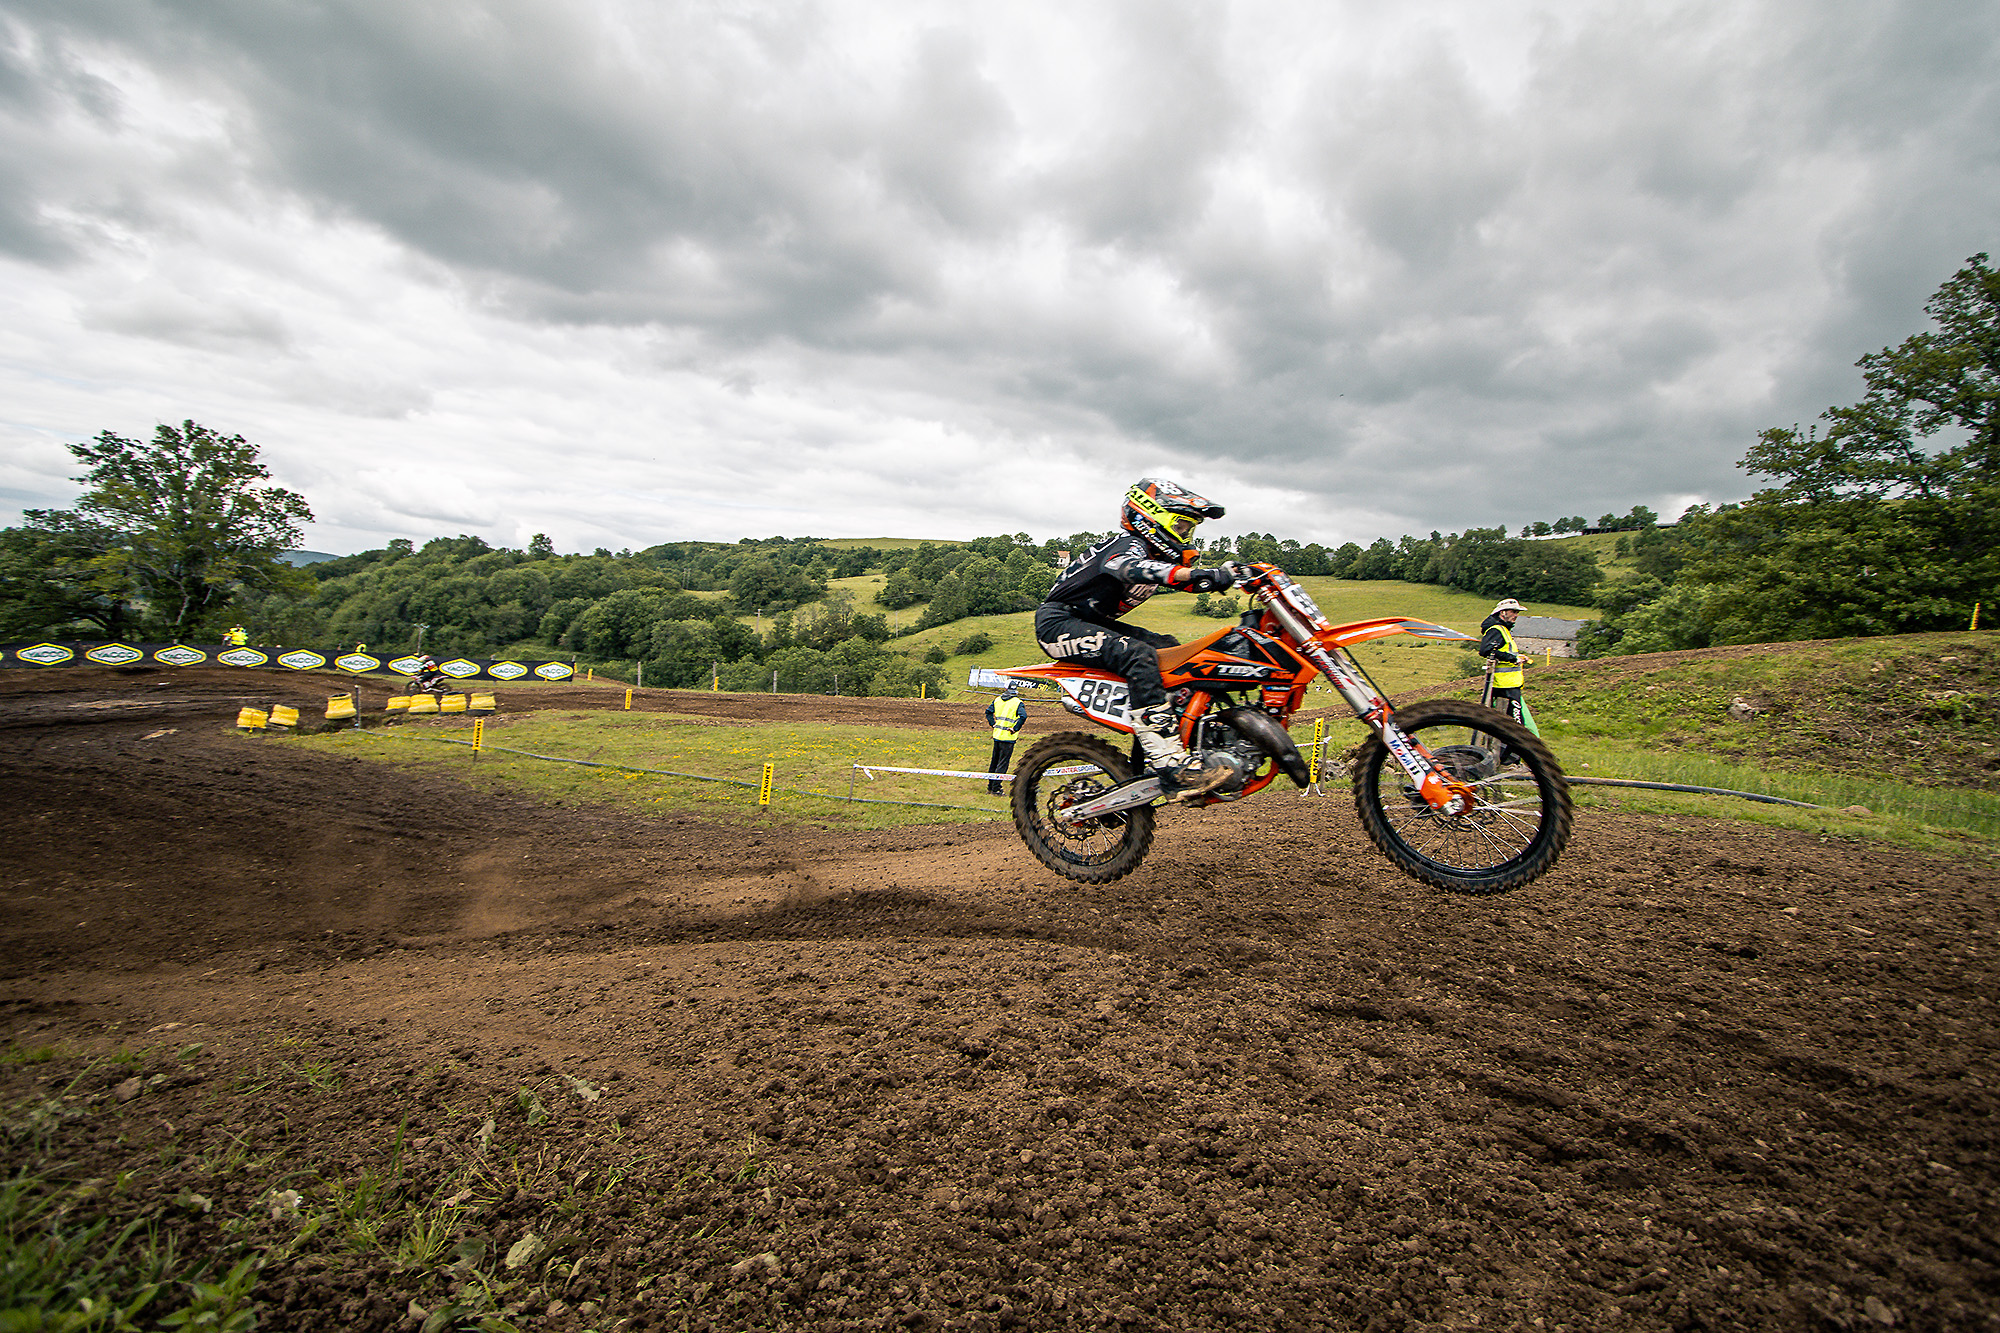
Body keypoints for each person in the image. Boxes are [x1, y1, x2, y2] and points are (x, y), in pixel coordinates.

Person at [1035, 478, 1241, 793]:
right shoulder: (1130, 545)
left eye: (1189, 529)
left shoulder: (1156, 556)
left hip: (1090, 622)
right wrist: (1200, 575)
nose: (1186, 535)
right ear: (1152, 519)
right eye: (1181, 526)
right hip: (1058, 623)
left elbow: (1188, 580)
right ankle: (1170, 765)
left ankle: (1157, 751)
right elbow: (1126, 567)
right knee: (1139, 655)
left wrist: (1240, 573)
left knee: (1172, 650)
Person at [1479, 598, 1530, 730]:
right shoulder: (1496, 630)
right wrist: (1513, 659)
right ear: (1503, 613)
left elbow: (1500, 651)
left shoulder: (1503, 629)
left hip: (1509, 684)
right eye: (1514, 612)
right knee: (1516, 725)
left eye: (1517, 612)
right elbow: (1486, 650)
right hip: (1505, 685)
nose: (1516, 615)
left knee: (1507, 724)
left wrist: (1516, 657)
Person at [984, 685, 1026, 795]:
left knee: (994, 762)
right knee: (1002, 764)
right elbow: (1023, 716)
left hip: (997, 735)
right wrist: (1015, 728)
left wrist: (993, 724)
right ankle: (996, 788)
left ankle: (990, 786)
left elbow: (988, 712)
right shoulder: (1017, 702)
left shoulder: (997, 700)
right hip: (1008, 737)